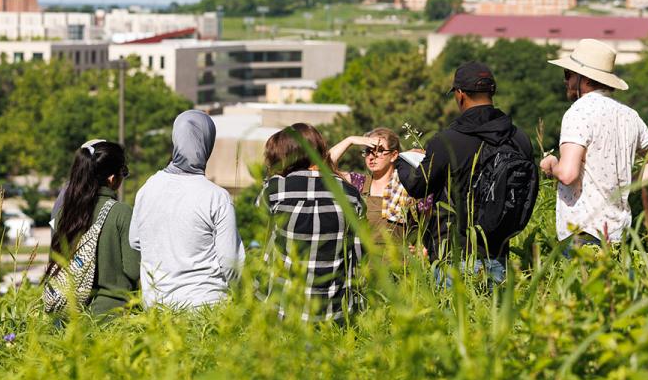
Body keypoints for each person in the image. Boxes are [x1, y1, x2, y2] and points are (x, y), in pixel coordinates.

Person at [398, 62, 535, 282]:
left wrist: (401, 161)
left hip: (454, 255)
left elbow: (418, 187)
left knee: (452, 316)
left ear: (460, 95)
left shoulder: (447, 141)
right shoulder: (519, 139)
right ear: (493, 92)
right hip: (499, 254)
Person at [540, 39, 648, 248]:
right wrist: (628, 184)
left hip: (583, 230)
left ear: (585, 78)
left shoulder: (578, 112)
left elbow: (567, 174)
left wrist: (551, 164)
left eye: (568, 74)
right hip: (620, 232)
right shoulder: (630, 115)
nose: (566, 81)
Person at [129, 110, 244, 308]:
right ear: (208, 143)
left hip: (157, 307)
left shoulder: (148, 188)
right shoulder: (216, 197)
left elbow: (135, 241)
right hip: (205, 310)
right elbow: (230, 262)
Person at [260, 123, 365, 322]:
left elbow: (264, 243)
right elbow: (358, 257)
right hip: (333, 314)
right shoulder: (350, 195)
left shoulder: (274, 191)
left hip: (283, 310)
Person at [47, 139, 139, 316]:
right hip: (113, 318)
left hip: (71, 319)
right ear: (112, 179)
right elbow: (133, 270)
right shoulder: (122, 213)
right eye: (123, 172)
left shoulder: (64, 214)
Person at [329, 128, 430, 247]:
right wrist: (350, 140)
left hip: (399, 263)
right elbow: (323, 165)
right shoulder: (359, 183)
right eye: (368, 151)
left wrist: (420, 247)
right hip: (363, 262)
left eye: (379, 150)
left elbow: (429, 223)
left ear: (394, 155)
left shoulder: (407, 186)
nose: (372, 157)